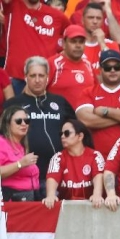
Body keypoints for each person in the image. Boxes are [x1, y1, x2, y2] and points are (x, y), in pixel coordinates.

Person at [3, 56, 75, 199]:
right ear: (25, 77)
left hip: (58, 175)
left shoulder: (60, 102)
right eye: (33, 75)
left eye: (41, 75)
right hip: (24, 178)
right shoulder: (12, 105)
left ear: (47, 77)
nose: (37, 80)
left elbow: (75, 131)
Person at [74, 49, 120, 159]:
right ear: (100, 70)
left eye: (117, 67)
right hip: (97, 159)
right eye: (108, 68)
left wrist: (105, 111)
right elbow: (86, 120)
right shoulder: (88, 92)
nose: (113, 70)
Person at [3, 0, 70, 94]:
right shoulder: (14, 5)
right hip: (16, 77)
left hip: (46, 79)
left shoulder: (57, 16)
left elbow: (72, 35)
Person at [42, 119, 104, 208]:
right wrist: (50, 195)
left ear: (80, 136)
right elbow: (52, 178)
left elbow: (98, 177)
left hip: (92, 207)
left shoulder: (95, 156)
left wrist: (97, 194)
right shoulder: (57, 158)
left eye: (67, 133)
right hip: (66, 210)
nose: (62, 136)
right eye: (61, 134)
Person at [47, 25, 96, 105]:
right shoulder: (53, 63)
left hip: (85, 115)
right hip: (60, 115)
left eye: (81, 42)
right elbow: (33, 90)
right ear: (64, 44)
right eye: (73, 41)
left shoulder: (88, 65)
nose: (78, 46)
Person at [0, 106, 39, 201]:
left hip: (29, 196)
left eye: (26, 121)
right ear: (7, 124)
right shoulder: (2, 143)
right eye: (18, 121)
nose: (23, 124)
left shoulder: (21, 146)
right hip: (12, 197)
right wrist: (20, 164)